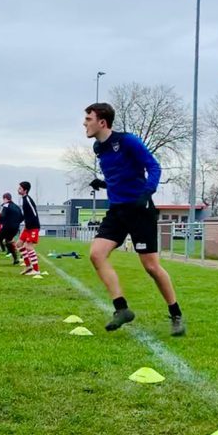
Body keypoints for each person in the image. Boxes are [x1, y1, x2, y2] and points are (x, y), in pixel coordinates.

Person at [84, 103, 185, 337]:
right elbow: (121, 175)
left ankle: (176, 314)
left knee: (151, 267)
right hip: (117, 211)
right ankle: (122, 309)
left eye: (88, 119)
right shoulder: (98, 147)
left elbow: (154, 167)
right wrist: (105, 184)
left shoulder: (128, 141)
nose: (85, 125)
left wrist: (146, 193)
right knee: (96, 254)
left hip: (140, 210)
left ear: (102, 122)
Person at [0, 193, 22, 266]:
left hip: (7, 227)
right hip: (15, 228)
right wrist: (15, 223)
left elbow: (2, 216)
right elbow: (22, 217)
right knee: (8, 241)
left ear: (5, 198)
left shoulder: (5, 205)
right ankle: (16, 259)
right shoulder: (17, 207)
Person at [17, 182, 41, 275]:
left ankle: (36, 270)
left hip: (33, 227)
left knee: (28, 247)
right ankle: (28, 266)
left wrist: (31, 225)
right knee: (19, 244)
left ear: (25, 190)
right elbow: (26, 214)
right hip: (27, 227)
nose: (18, 190)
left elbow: (34, 213)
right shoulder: (23, 199)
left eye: (20, 188)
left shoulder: (27, 199)